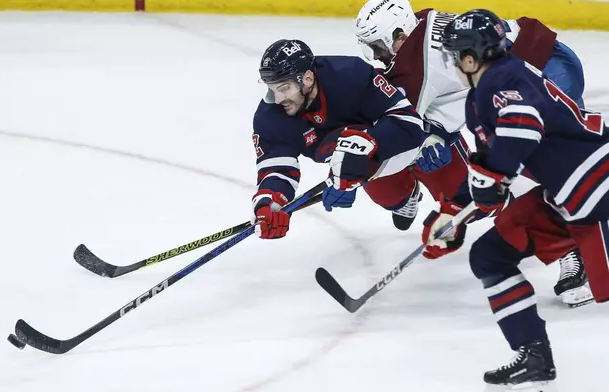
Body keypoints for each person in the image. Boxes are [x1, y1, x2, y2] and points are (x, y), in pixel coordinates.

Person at [354, 0, 591, 307]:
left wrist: (353, 171)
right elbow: (452, 90)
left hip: (545, 69)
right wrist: (438, 133)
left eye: (378, 47)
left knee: (548, 167)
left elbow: (404, 128)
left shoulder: (413, 66)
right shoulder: (421, 24)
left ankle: (576, 253)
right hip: (542, 62)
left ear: (398, 35)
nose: (378, 57)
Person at [429, 9, 609, 386]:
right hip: (572, 194)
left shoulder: (504, 77)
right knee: (490, 255)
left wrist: (495, 177)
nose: (449, 63)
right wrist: (453, 212)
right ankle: (534, 355)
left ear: (469, 57)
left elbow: (523, 127)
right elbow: (489, 163)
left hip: (597, 183)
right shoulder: (483, 93)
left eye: (452, 55)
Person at [251, 38, 429, 240]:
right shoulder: (270, 116)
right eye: (272, 89)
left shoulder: (351, 75)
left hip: (388, 139)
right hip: (361, 161)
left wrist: (364, 148)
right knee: (392, 197)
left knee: (452, 184)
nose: (278, 99)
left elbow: (409, 124)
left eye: (284, 88)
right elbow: (277, 169)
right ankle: (407, 193)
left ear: (307, 79)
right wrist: (270, 201)